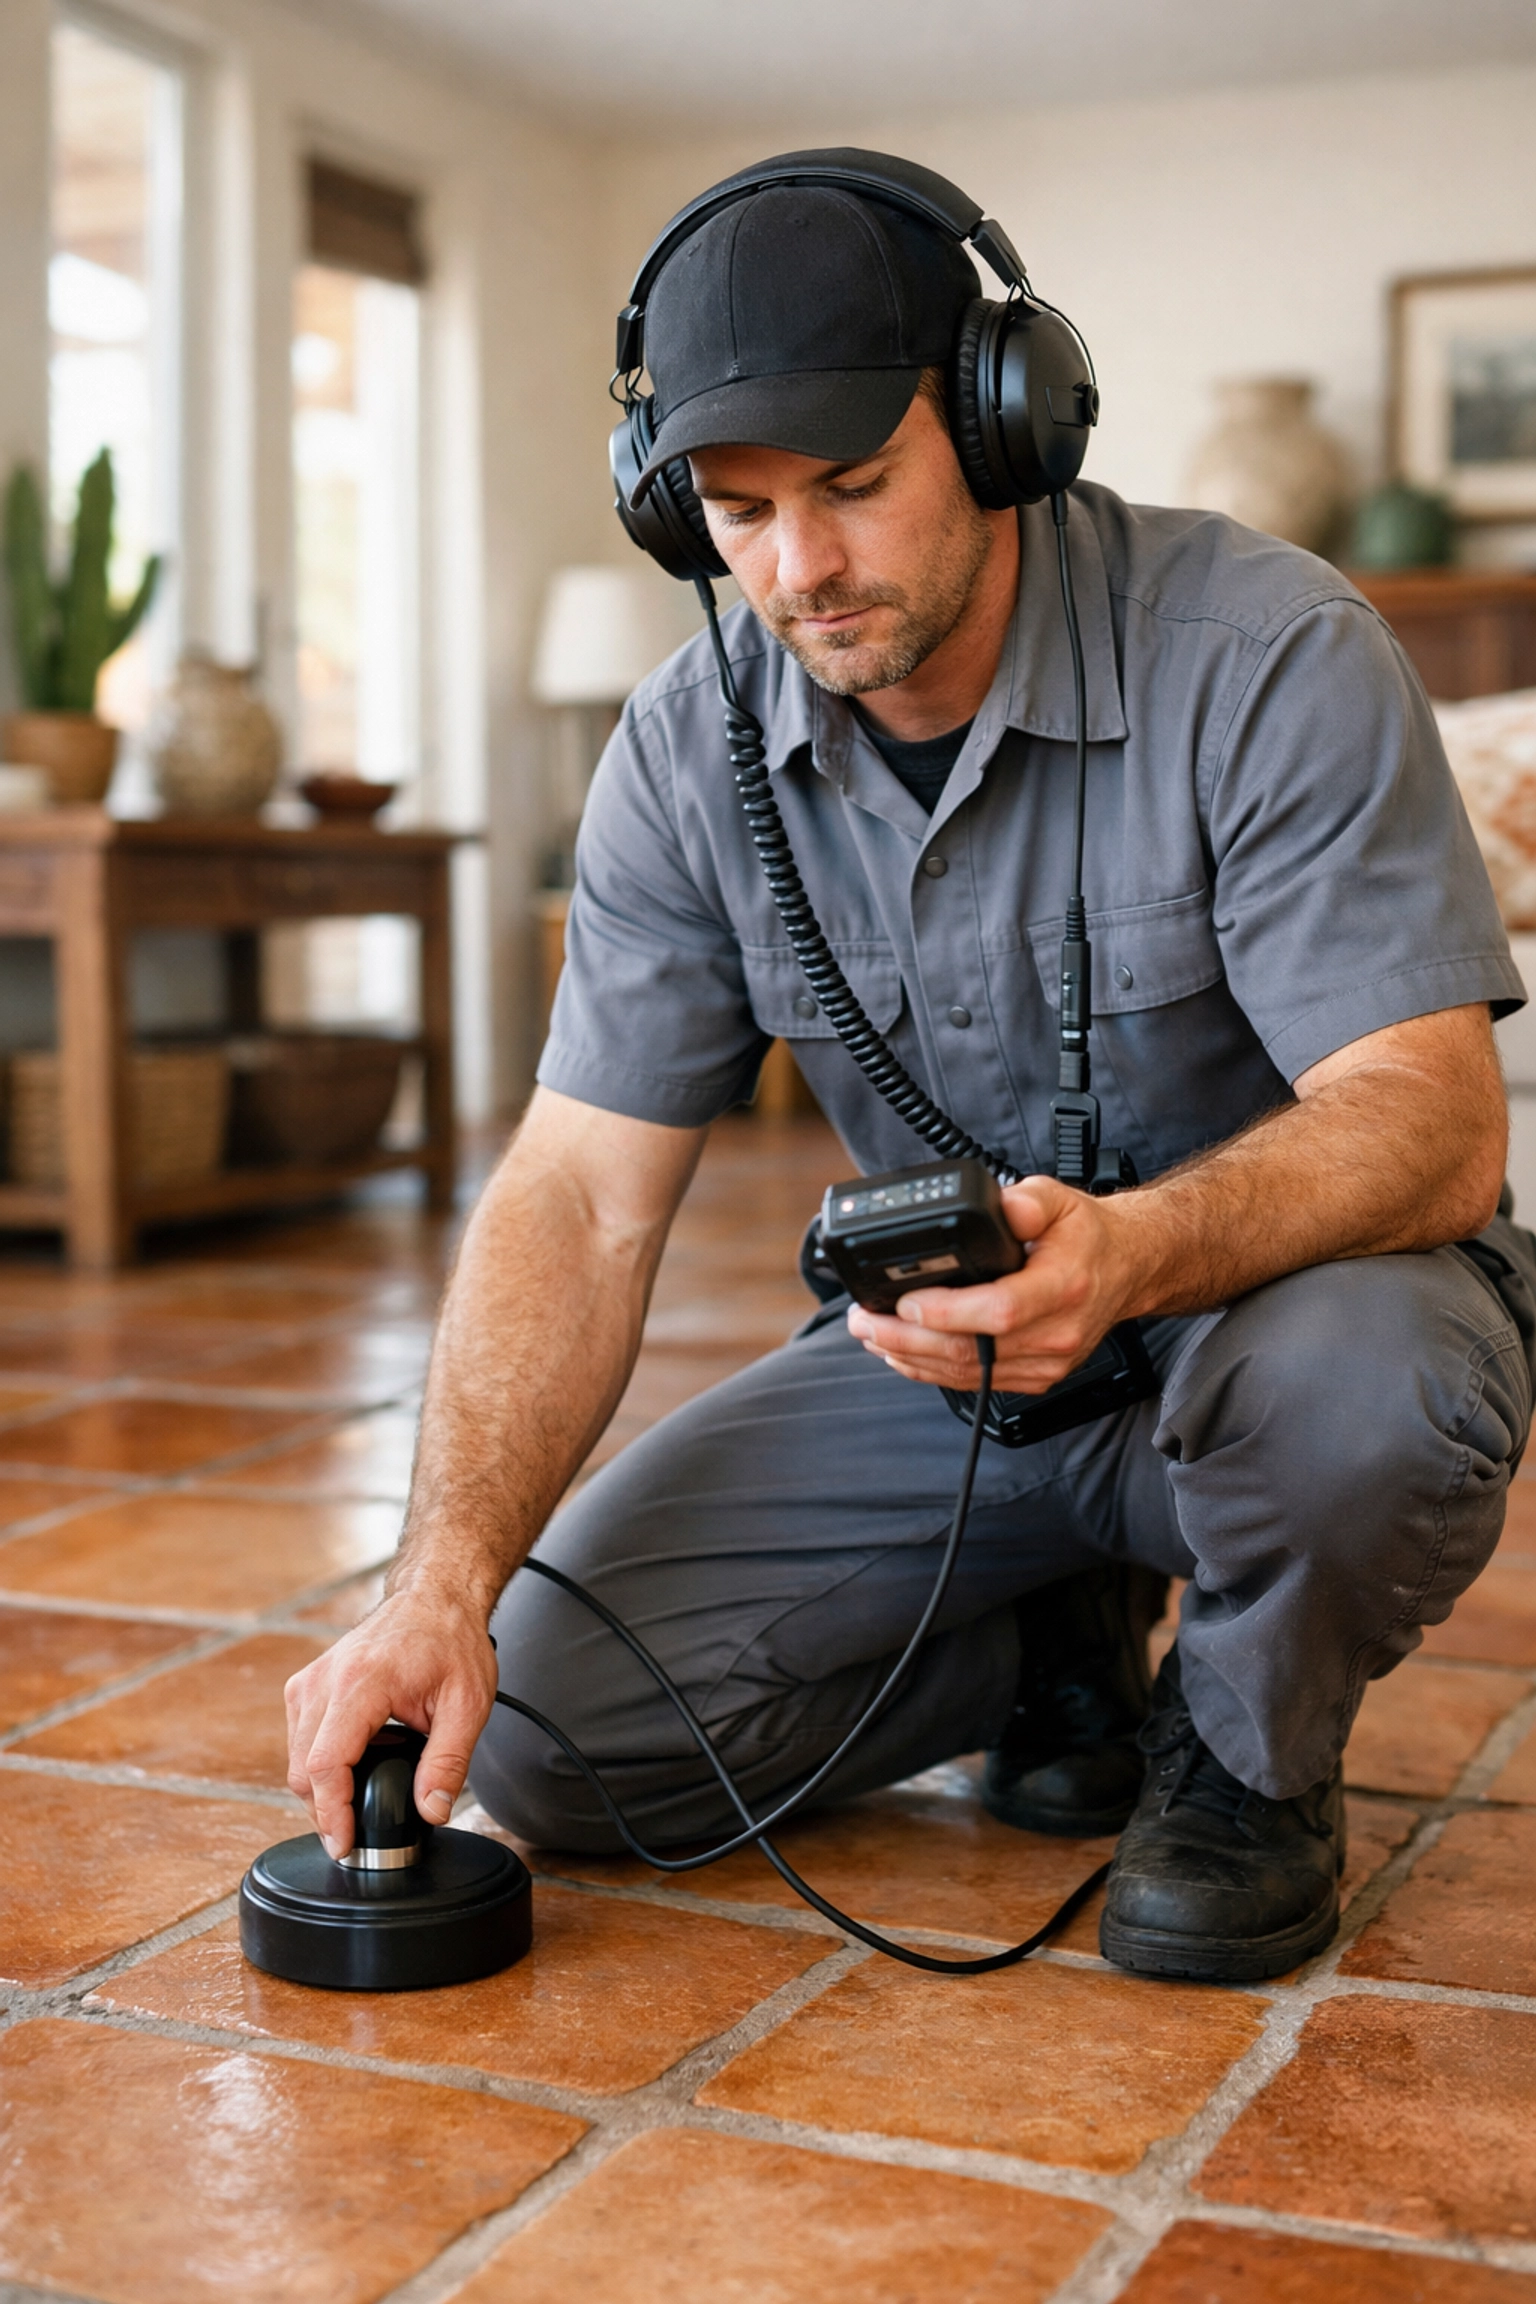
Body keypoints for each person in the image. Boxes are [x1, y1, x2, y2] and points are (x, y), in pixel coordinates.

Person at [285, 158, 1535, 1985]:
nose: (799, 570)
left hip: (1275, 1342)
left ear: (1004, 417)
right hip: (950, 1376)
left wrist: (1131, 1255)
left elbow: (1436, 1127)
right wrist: (440, 1585)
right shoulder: (682, 751)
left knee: (1375, 1396)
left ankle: (1242, 1746)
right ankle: (1048, 1636)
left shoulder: (1273, 652)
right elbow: (579, 1195)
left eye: (855, 484)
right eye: (739, 511)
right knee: (549, 1735)